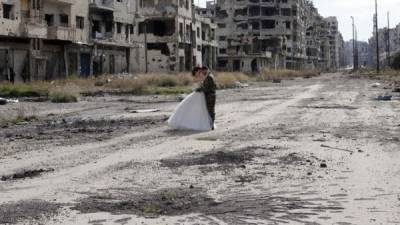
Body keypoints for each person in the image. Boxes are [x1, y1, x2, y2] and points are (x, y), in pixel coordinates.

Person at [167, 66, 216, 131]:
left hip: (209, 95)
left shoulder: (209, 77)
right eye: (198, 72)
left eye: (201, 71)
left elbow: (206, 88)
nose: (200, 73)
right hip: (205, 95)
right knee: (206, 110)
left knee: (209, 110)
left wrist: (198, 89)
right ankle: (210, 124)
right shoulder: (206, 76)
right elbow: (204, 86)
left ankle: (210, 124)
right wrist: (199, 89)